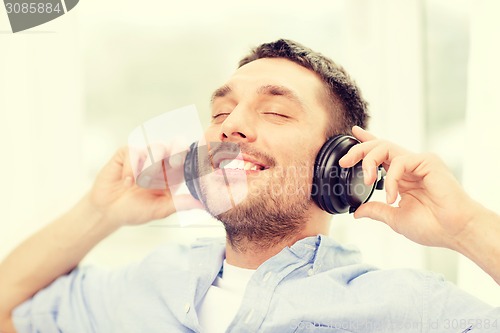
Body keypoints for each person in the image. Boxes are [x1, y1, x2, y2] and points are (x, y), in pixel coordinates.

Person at [0, 39, 499, 333]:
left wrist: (466, 228)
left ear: (339, 164)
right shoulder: (146, 282)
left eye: (277, 111)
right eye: (220, 111)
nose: (229, 126)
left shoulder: (404, 307)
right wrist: (101, 211)